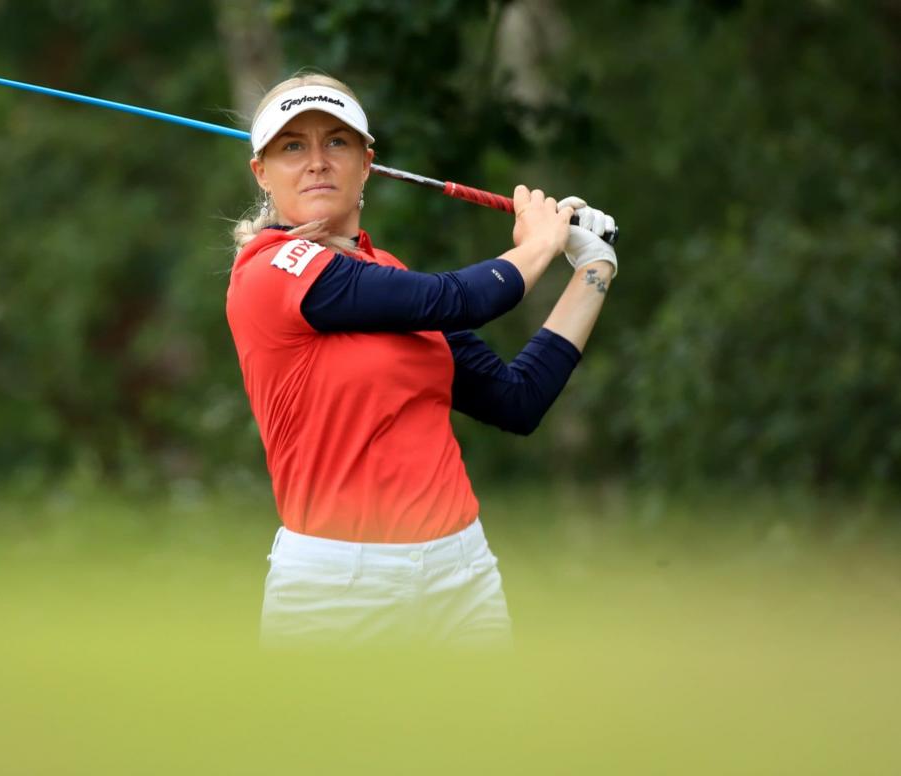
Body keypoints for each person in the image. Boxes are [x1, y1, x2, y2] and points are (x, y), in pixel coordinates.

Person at [225, 73, 618, 648]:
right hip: (338, 589)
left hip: (462, 573)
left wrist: (593, 270)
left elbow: (516, 399)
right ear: (262, 172)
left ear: (367, 162)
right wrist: (538, 243)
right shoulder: (270, 270)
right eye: (292, 146)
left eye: (337, 142)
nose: (316, 161)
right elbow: (462, 298)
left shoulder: (389, 273)